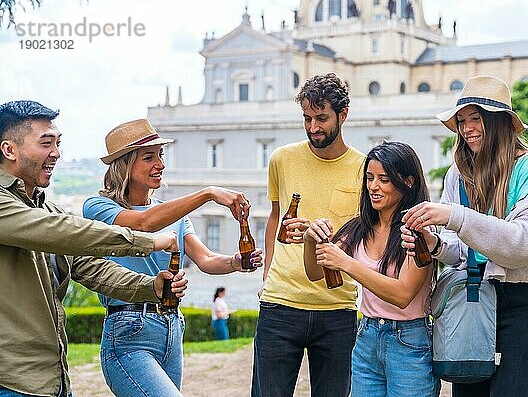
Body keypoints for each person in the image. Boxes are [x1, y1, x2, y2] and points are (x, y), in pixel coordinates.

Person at [0, 100, 187, 397]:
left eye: (58, 143)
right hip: (11, 382)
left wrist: (151, 286)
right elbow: (61, 232)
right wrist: (147, 240)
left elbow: (91, 266)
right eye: (46, 143)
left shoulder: (47, 207)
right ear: (9, 150)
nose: (56, 153)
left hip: (51, 380)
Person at [401, 75, 528, 397]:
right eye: (461, 121)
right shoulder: (458, 175)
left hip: (527, 301)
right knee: (468, 390)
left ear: (499, 122)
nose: (467, 128)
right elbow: (462, 251)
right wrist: (434, 244)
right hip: (473, 296)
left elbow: (524, 246)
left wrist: (455, 216)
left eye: (477, 119)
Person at [82, 118, 263, 397]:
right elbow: (143, 224)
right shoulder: (99, 207)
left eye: (161, 155)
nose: (160, 164)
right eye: (149, 157)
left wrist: (234, 263)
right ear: (125, 164)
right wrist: (208, 193)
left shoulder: (172, 214)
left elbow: (204, 259)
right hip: (128, 332)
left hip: (171, 327)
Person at [252, 73, 365, 397]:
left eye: (321, 118)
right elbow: (275, 216)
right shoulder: (282, 159)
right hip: (280, 303)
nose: (313, 127)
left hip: (338, 307)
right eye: (307, 118)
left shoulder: (363, 169)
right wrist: (266, 276)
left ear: (343, 114)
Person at [303, 142, 440, 397]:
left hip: (408, 341)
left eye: (384, 179)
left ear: (408, 182)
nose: (373, 186)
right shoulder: (359, 228)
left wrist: (346, 263)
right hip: (367, 337)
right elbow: (315, 274)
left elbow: (403, 294)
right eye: (369, 178)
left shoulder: (418, 232)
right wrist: (311, 241)